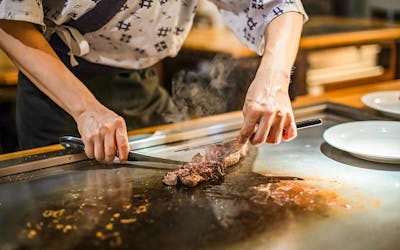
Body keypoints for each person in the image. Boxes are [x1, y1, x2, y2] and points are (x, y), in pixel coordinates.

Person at [0, 0, 307, 163]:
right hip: (61, 92)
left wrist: (274, 81)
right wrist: (85, 110)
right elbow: (9, 18)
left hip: (143, 83)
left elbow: (277, 5)